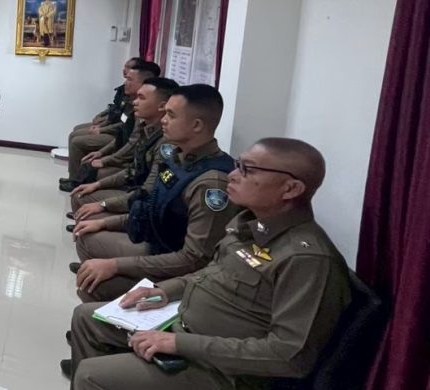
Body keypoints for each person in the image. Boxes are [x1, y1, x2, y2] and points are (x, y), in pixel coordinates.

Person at [64, 138, 351, 390]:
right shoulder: (249, 223)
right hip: (186, 328)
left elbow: (288, 356)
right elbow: (211, 273)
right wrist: (164, 291)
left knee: (91, 375)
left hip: (226, 371)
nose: (233, 175)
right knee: (88, 318)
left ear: (291, 188)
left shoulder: (306, 259)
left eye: (248, 170)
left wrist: (178, 344)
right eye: (238, 165)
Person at [69, 84, 237, 302]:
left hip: (178, 270)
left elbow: (193, 261)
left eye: (171, 115)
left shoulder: (212, 183)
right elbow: (150, 207)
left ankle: (115, 316)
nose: (164, 120)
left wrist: (115, 265)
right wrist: (104, 222)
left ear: (196, 125)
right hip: (158, 242)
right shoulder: (178, 158)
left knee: (96, 286)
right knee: (87, 235)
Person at [69, 77, 179, 215]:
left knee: (84, 197)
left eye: (141, 98)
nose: (135, 102)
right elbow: (133, 168)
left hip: (145, 202)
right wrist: (97, 184)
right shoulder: (146, 127)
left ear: (162, 106)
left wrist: (104, 205)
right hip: (136, 184)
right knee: (84, 189)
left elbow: (148, 191)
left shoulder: (166, 143)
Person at [61, 61, 161, 190]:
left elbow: (129, 142)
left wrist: (106, 156)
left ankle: (77, 182)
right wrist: (101, 149)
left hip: (127, 158)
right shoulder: (128, 98)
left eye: (130, 79)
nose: (125, 81)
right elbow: (116, 116)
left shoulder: (145, 114)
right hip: (121, 144)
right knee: (77, 134)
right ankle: (76, 180)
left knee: (79, 145)